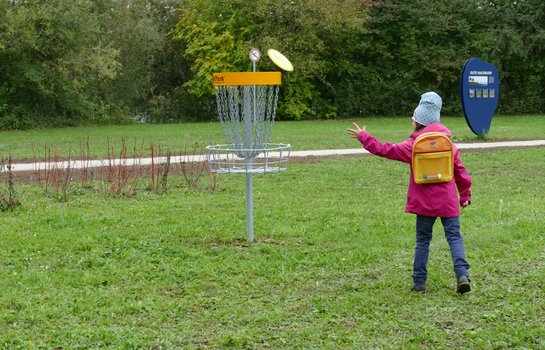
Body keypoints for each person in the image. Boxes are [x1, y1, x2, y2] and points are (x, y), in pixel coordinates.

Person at [346, 92, 472, 294]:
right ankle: (462, 275)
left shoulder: (413, 146)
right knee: (454, 238)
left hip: (424, 203)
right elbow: (461, 172)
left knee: (423, 240)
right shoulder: (449, 144)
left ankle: (419, 283)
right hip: (448, 202)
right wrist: (465, 195)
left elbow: (385, 150)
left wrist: (364, 137)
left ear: (418, 122)